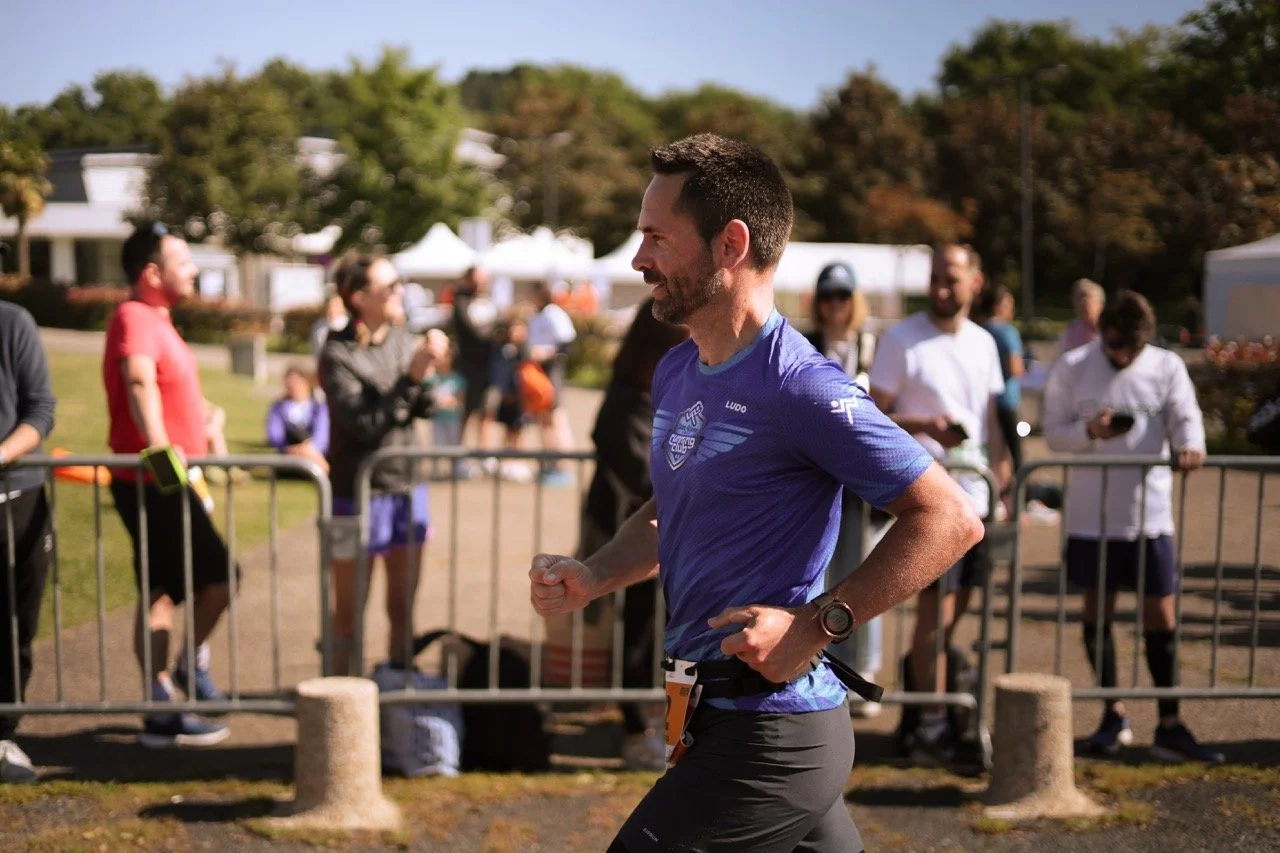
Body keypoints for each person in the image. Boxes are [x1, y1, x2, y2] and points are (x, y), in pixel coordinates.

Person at [529, 134, 983, 853]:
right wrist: (593, 575)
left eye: (656, 237)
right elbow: (669, 507)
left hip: (772, 734)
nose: (639, 259)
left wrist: (816, 624)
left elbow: (950, 517)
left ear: (730, 244)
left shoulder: (802, 385)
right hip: (713, 715)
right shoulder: (679, 371)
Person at [1042, 290, 1222, 764]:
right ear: (1101, 331)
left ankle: (1169, 721)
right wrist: (1090, 433)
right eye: (1115, 346)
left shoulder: (1166, 366)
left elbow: (1187, 417)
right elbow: (1053, 433)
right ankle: (1112, 712)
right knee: (1096, 612)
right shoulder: (1074, 365)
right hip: (1091, 517)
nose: (1123, 356)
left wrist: (1191, 445)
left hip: (1150, 515)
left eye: (1132, 348)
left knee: (1160, 615)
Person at [868, 243, 1004, 769]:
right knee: (934, 615)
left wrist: (1004, 487)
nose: (941, 288)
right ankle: (930, 725)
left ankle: (927, 711)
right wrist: (926, 427)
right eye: (935, 278)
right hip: (925, 503)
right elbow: (871, 420)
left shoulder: (984, 343)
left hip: (977, 501)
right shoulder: (902, 339)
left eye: (951, 278)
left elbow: (991, 421)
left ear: (976, 281)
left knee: (951, 621)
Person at [102, 221, 235, 748]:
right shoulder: (135, 316)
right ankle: (163, 700)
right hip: (153, 480)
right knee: (200, 582)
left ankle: (170, 688)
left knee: (170, 589)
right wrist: (162, 456)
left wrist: (200, 417)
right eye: (184, 261)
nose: (194, 269)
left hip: (166, 477)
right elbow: (138, 378)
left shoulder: (158, 320)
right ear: (152, 272)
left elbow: (159, 384)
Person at [320, 256, 448, 677]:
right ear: (359, 298)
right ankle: (341, 703)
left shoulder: (402, 338)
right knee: (348, 613)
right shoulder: (337, 353)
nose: (400, 292)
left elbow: (425, 408)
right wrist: (410, 379)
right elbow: (364, 425)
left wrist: (429, 370)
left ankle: (397, 686)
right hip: (355, 494)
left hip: (408, 488)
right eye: (390, 286)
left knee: (402, 606)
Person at [579, 298, 690, 772]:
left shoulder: (665, 397)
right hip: (633, 541)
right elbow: (645, 480)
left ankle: (674, 725)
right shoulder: (626, 402)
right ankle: (634, 728)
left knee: (671, 635)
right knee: (638, 635)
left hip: (668, 544)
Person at [804, 261, 886, 718]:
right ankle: (822, 667)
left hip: (862, 483)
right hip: (819, 481)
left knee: (866, 577)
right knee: (821, 577)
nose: (835, 304)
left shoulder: (871, 345)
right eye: (827, 295)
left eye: (842, 295)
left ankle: (865, 670)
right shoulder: (804, 345)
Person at [0, 302, 56, 783]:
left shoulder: (15, 321)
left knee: (16, 625)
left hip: (18, 498)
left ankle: (3, 735)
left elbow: (40, 411)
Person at [974, 285, 1025, 502]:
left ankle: (996, 497)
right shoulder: (1007, 332)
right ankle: (1013, 500)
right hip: (1006, 401)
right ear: (998, 306)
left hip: (983, 401)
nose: (1012, 310)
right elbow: (1015, 367)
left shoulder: (977, 330)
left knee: (992, 452)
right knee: (1014, 455)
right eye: (1009, 305)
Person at [527, 280, 579, 486]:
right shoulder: (536, 315)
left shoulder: (554, 314)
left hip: (551, 369)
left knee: (555, 417)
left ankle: (561, 465)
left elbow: (568, 344)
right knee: (543, 417)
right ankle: (549, 462)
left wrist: (548, 354)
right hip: (536, 370)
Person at [450, 266, 499, 456]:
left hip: (487, 367)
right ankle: (458, 452)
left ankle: (485, 455)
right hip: (468, 368)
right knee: (466, 412)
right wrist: (492, 332)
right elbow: (473, 332)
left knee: (487, 412)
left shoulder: (487, 302)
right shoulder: (461, 302)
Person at [265, 365, 330, 475]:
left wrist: (309, 448)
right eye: (289, 382)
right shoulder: (278, 408)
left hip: (314, 452)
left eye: (296, 381)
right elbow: (274, 436)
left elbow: (322, 434)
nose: (293, 385)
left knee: (312, 455)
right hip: (289, 452)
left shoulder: (319, 407)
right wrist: (292, 449)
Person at [428, 347, 466, 479]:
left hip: (452, 418)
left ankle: (456, 470)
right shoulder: (433, 378)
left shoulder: (457, 379)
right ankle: (436, 472)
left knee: (453, 445)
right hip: (437, 418)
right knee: (437, 445)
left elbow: (461, 401)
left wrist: (452, 403)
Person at [1055, 278, 1106, 360]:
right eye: (1078, 298)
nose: (1082, 302)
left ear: (1100, 304)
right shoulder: (1071, 330)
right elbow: (1059, 361)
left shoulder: (1109, 331)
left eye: (1087, 297)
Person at [310, 293, 350, 362]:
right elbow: (316, 348)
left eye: (335, 306)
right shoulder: (318, 326)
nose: (332, 308)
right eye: (330, 306)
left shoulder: (348, 324)